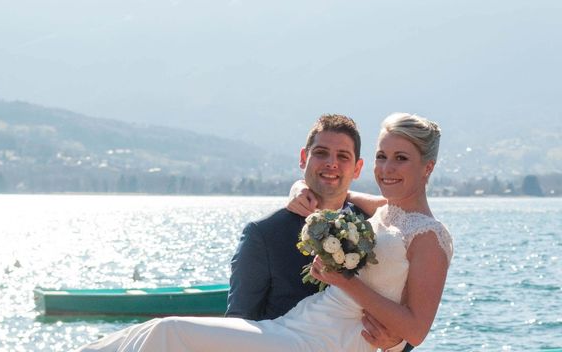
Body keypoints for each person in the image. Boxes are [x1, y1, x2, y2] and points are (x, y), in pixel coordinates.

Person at [75, 112, 453, 352]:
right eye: (383, 157)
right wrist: (298, 189)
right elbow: (342, 191)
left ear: (427, 167)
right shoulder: (385, 209)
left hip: (325, 343)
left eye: (401, 158)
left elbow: (416, 329)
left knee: (169, 332)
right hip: (298, 324)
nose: (387, 168)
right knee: (156, 331)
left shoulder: (430, 238)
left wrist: (343, 282)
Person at [226, 114, 403, 350]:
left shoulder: (379, 230)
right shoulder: (264, 235)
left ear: (358, 168)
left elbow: (407, 321)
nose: (332, 163)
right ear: (303, 158)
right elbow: (238, 325)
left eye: (343, 156)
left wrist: (396, 342)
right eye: (321, 153)